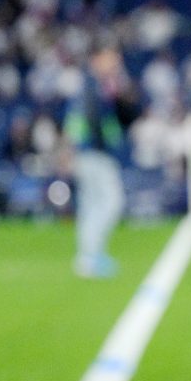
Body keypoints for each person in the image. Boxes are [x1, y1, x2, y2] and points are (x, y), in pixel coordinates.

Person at [66, 47, 135, 278]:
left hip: (95, 153)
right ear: (97, 60)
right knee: (109, 203)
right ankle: (90, 256)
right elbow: (85, 120)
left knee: (92, 205)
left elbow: (126, 113)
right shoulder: (92, 86)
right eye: (110, 60)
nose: (115, 64)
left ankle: (89, 256)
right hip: (94, 153)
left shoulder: (100, 86)